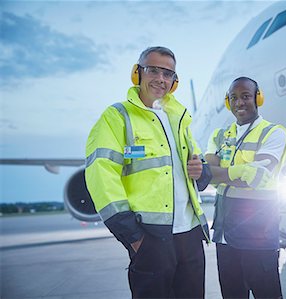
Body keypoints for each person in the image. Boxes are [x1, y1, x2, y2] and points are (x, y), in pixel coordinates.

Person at [85, 46, 211, 299]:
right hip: (150, 235)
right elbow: (101, 176)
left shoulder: (179, 118)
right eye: (153, 70)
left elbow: (199, 171)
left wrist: (202, 171)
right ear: (137, 73)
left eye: (168, 74)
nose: (161, 79)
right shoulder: (117, 116)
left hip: (189, 235)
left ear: (174, 82)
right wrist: (133, 236)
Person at [205, 77, 286, 299]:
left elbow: (256, 178)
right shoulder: (219, 135)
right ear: (228, 102)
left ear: (258, 98)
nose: (239, 103)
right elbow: (205, 175)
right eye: (234, 98)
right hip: (225, 237)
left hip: (258, 237)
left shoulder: (273, 133)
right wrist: (240, 172)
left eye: (245, 96)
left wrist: (219, 175)